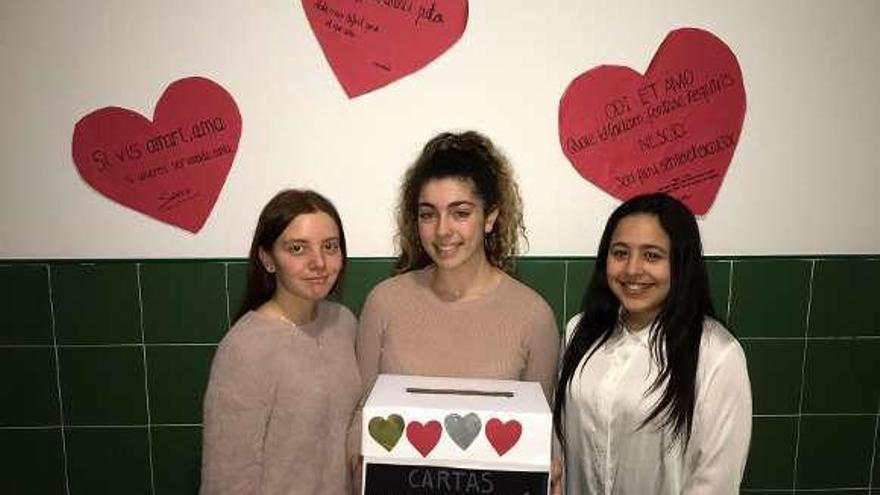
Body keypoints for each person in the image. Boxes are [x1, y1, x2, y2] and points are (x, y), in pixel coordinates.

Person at [553, 193, 752, 495]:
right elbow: (560, 445)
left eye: (652, 256)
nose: (632, 270)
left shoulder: (717, 354)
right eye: (620, 253)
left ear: (680, 263)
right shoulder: (579, 331)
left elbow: (716, 481)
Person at [357, 130, 560, 401]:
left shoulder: (534, 317)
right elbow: (362, 416)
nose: (442, 230)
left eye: (461, 213)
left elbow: (541, 433)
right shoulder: (383, 303)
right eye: (428, 214)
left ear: (490, 218)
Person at [200, 189, 360, 495]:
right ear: (267, 258)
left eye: (330, 246)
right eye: (297, 249)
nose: (319, 262)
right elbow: (227, 477)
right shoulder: (245, 348)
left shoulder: (344, 323)